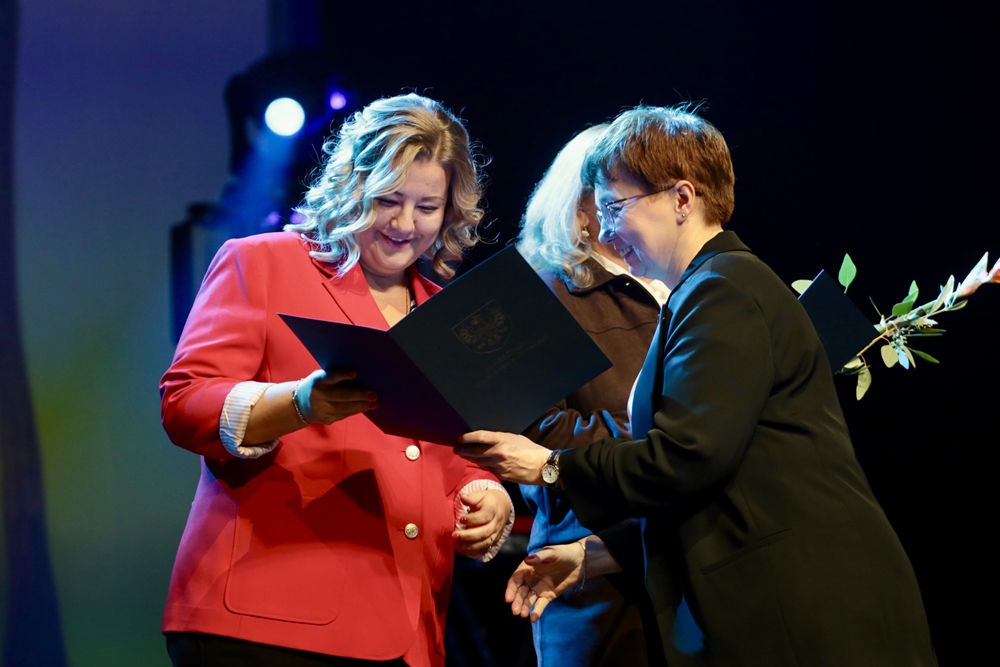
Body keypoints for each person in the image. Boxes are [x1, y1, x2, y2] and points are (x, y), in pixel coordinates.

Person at [458, 104, 937, 666]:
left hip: (806, 603)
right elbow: (712, 481)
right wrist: (595, 554)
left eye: (615, 207)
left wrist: (550, 467)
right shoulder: (706, 289)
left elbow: (688, 458)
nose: (604, 229)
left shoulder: (722, 291)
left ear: (682, 199)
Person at [160, 93, 513, 667]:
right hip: (266, 622)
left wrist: (484, 494)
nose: (404, 224)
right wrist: (299, 403)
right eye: (388, 200)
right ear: (352, 186)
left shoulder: (449, 316)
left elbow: (448, 452)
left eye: (427, 207)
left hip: (406, 630)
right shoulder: (263, 262)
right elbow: (185, 403)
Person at [516, 124, 668, 667]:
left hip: (689, 558)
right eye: (620, 193)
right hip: (590, 570)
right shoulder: (545, 292)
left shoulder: (683, 283)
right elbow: (538, 431)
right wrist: (663, 438)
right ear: (582, 206)